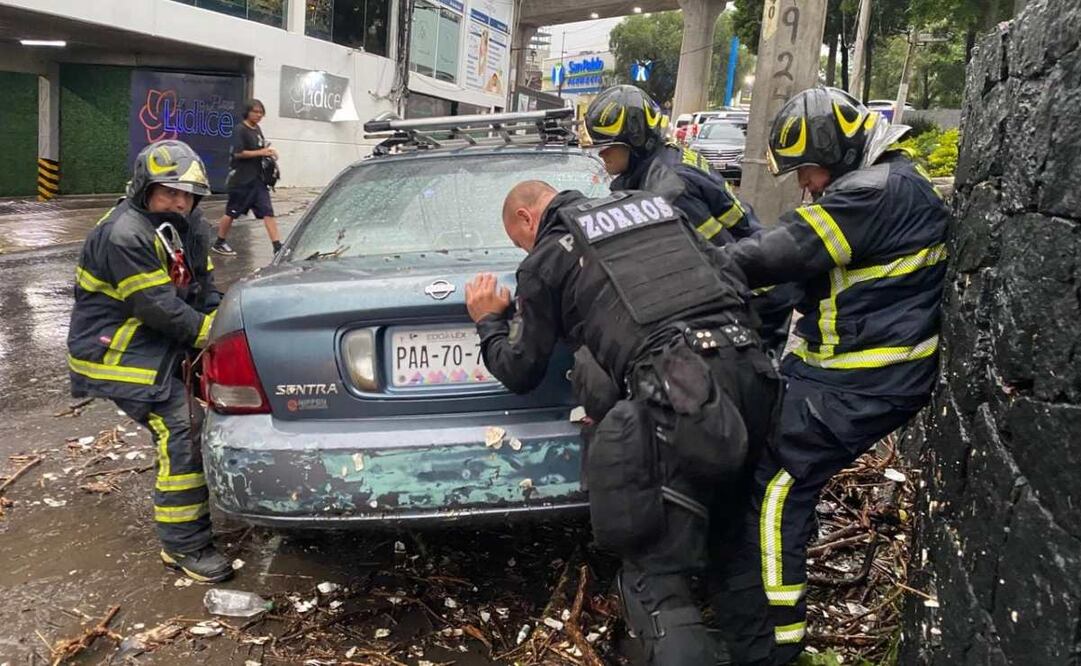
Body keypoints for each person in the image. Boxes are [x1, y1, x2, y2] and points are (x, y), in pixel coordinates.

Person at [465, 181, 780, 664]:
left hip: (682, 390)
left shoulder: (546, 258)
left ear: (528, 220)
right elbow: (729, 273)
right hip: (751, 372)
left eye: (518, 240)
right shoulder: (651, 207)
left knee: (654, 571)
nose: (523, 249)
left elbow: (521, 370)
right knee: (734, 544)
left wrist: (488, 320)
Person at [714, 87, 950, 665]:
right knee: (762, 461)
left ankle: (775, 644)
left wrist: (690, 269)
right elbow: (800, 280)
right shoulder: (888, 185)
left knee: (776, 489)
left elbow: (782, 250)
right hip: (839, 372)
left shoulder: (870, 194)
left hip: (862, 381)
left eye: (810, 171)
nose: (806, 185)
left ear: (839, 155)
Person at [67, 140, 233, 583]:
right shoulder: (124, 234)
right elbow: (156, 307)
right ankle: (185, 547)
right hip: (117, 351)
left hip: (158, 343)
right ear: (145, 189)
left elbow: (205, 285)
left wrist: (220, 316)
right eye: (169, 192)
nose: (180, 201)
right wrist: (213, 335)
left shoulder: (187, 226)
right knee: (184, 426)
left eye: (187, 194)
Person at [582, 84, 798, 358]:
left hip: (755, 297)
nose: (602, 155)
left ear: (635, 141)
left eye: (609, 147)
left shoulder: (669, 191)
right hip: (752, 284)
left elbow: (690, 268)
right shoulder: (664, 162)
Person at [211, 99, 281, 257]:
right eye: (255, 111)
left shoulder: (257, 129)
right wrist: (261, 153)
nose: (258, 115)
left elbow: (261, 148)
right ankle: (219, 242)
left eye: (260, 112)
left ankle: (277, 246)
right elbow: (238, 153)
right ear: (247, 112)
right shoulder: (240, 130)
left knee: (268, 212)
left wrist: (269, 151)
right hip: (242, 180)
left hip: (258, 180)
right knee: (231, 213)